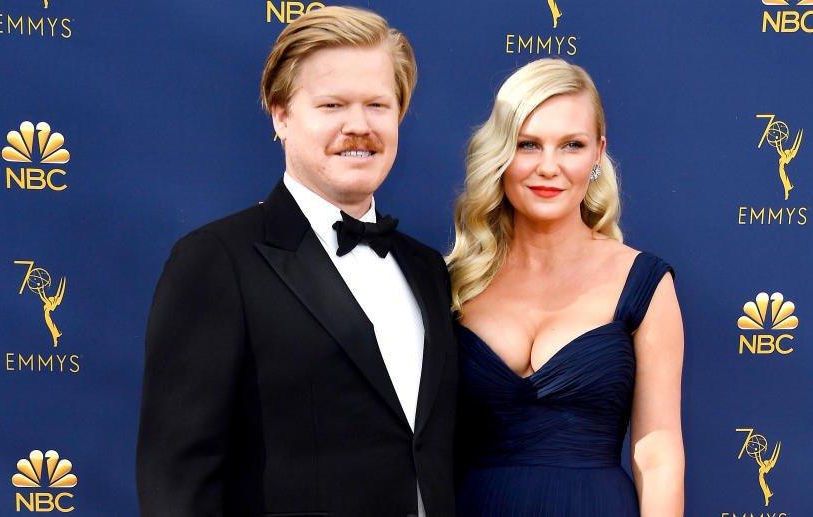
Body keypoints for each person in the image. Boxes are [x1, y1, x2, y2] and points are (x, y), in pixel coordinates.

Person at [136, 7, 457, 516]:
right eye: (332, 104)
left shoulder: (426, 270)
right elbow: (177, 479)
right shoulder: (216, 261)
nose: (359, 125)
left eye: (378, 104)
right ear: (281, 115)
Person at [447, 59, 684, 516]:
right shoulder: (450, 284)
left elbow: (657, 455)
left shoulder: (643, 283)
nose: (549, 167)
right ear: (500, 153)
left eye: (571, 145)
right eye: (528, 145)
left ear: (598, 154)